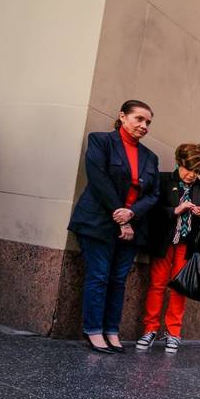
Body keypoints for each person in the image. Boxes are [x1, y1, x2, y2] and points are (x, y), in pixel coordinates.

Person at [68, 100, 160, 353]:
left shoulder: (150, 157)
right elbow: (98, 179)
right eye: (139, 119)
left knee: (118, 280)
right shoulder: (100, 141)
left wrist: (130, 214)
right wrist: (119, 214)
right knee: (98, 276)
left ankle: (111, 330)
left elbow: (153, 195)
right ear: (122, 116)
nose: (144, 125)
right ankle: (93, 330)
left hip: (133, 228)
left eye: (148, 122)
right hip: (97, 222)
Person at [137, 144, 200, 354]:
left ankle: (173, 333)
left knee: (180, 289)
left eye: (197, 172)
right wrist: (176, 210)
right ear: (180, 163)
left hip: (187, 245)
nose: (192, 175)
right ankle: (150, 329)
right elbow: (151, 212)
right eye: (189, 169)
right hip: (164, 242)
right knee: (157, 285)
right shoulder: (162, 180)